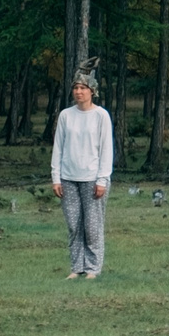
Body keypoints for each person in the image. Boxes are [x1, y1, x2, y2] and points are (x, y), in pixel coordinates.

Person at [49, 65, 114, 279]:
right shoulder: (66, 115)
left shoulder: (101, 116)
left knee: (92, 227)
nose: (79, 92)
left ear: (92, 91)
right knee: (73, 224)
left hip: (92, 178)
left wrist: (102, 179)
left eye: (83, 88)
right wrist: (56, 178)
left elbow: (106, 149)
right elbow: (58, 147)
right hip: (68, 177)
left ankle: (93, 268)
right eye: (76, 88)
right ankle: (77, 267)